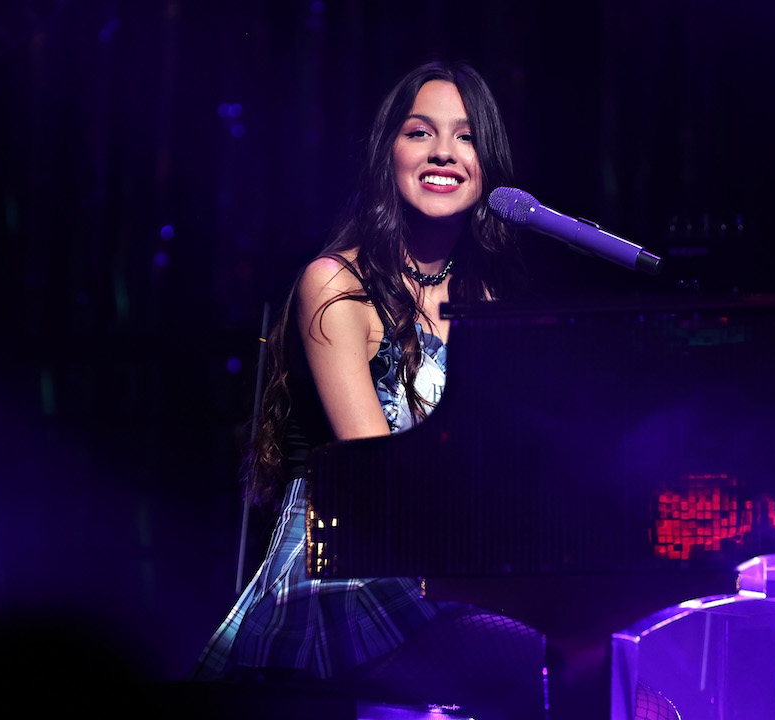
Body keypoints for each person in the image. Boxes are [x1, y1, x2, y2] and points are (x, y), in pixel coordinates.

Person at [193, 60, 680, 720]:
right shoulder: (335, 283)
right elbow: (379, 481)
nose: (444, 152)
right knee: (606, 685)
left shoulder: (486, 297)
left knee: (635, 671)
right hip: (346, 580)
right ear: (387, 153)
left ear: (488, 167)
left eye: (466, 136)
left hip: (444, 576)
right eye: (421, 132)